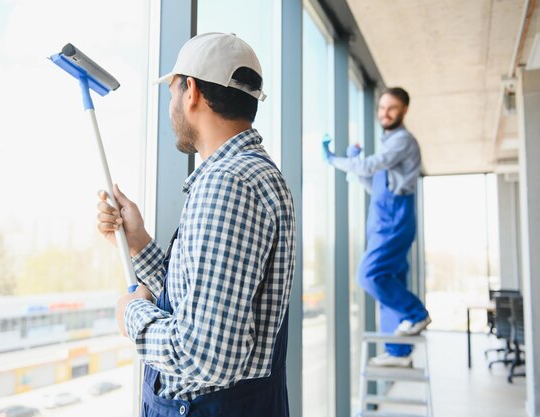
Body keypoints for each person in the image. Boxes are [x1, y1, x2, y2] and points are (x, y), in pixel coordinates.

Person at [97, 33, 295, 417]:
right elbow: (203, 297)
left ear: (191, 91)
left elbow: (203, 356)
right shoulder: (255, 174)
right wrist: (138, 242)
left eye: (172, 92)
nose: (171, 105)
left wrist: (130, 316)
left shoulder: (228, 184)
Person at [322, 87, 431, 367]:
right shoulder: (388, 143)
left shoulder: (402, 141)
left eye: (392, 108)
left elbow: (372, 166)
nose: (385, 113)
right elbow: (373, 184)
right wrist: (355, 164)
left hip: (393, 219)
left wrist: (337, 160)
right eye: (382, 108)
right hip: (382, 218)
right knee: (388, 281)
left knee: (369, 276)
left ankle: (417, 314)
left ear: (404, 110)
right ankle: (398, 352)